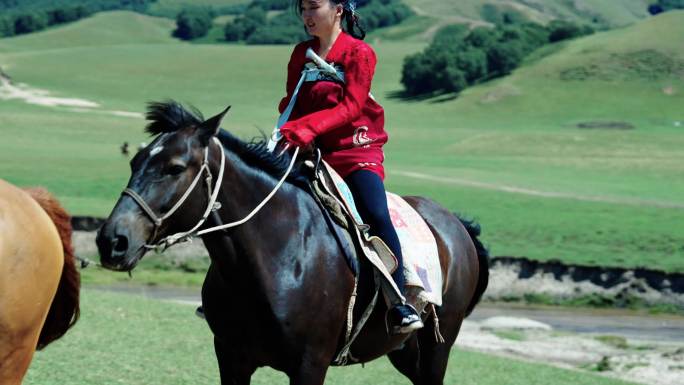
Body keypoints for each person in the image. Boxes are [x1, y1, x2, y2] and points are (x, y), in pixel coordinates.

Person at [277, 0, 423, 334]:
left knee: (375, 212)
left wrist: (310, 127)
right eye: (303, 9)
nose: (307, 16)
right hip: (309, 149)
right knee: (257, 196)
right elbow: (292, 100)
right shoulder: (301, 53)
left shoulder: (359, 53)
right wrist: (291, 127)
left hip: (355, 151)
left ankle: (399, 300)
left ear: (338, 9)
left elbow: (353, 106)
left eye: (314, 7)